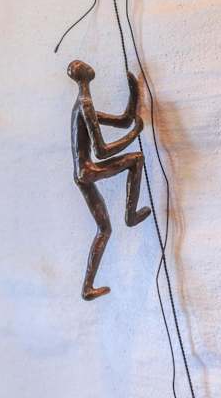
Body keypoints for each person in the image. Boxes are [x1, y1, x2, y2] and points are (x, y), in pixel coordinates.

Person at [68, 60, 151, 301]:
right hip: (88, 170)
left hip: (81, 174)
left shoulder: (83, 103)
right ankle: (131, 215)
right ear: (84, 74)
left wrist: (134, 94)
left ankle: (87, 288)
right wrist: (134, 134)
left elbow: (123, 120)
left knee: (104, 229)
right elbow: (102, 151)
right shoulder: (85, 104)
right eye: (84, 65)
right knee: (136, 159)